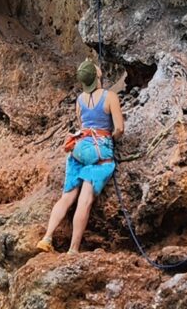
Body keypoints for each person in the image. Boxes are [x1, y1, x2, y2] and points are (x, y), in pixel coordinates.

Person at [38, 60, 125, 253]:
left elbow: (82, 124)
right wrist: (110, 139)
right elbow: (119, 128)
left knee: (67, 197)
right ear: (97, 75)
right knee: (84, 200)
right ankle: (73, 249)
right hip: (98, 150)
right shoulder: (110, 96)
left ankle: (47, 237)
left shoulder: (80, 100)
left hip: (79, 148)